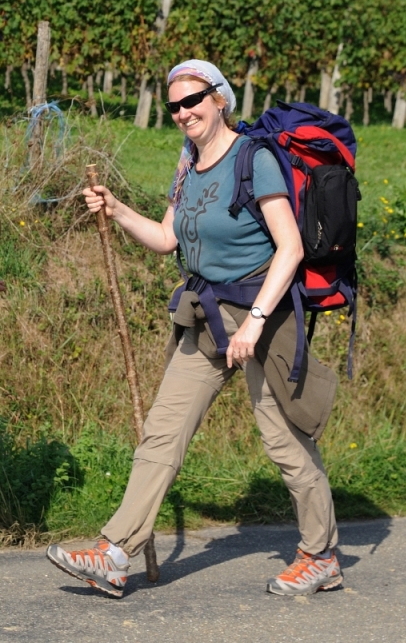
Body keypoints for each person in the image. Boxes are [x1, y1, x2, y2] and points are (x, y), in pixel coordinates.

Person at [46, 60, 341, 598]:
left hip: (264, 314)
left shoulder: (256, 160)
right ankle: (115, 555)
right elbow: (166, 238)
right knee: (164, 430)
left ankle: (320, 555)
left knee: (284, 441)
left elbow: (291, 249)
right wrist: (116, 210)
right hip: (205, 315)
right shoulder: (187, 161)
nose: (183, 112)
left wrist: (252, 324)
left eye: (193, 100)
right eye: (175, 105)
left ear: (220, 98)